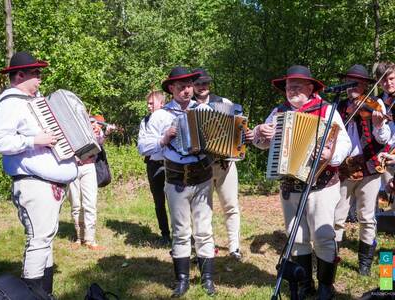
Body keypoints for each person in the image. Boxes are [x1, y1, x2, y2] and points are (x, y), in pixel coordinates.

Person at [252, 65, 352, 299]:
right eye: (289, 86)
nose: (292, 90)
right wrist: (260, 134)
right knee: (297, 236)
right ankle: (305, 283)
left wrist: (330, 156)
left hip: (322, 184)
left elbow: (345, 143)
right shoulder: (278, 112)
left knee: (323, 235)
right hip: (290, 185)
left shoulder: (326, 110)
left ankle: (326, 286)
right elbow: (262, 143)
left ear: (310, 88)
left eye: (297, 86)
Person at [0, 51, 78, 299]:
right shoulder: (10, 102)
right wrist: (34, 140)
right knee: (38, 240)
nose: (40, 79)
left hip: (48, 183)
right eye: (36, 74)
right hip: (33, 183)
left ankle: (45, 293)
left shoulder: (33, 102)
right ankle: (30, 295)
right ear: (20, 75)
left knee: (45, 239)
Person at [138, 66, 216, 297]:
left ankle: (208, 279)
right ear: (171, 89)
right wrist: (163, 139)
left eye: (189, 86)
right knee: (181, 230)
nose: (186, 91)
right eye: (181, 87)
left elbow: (219, 139)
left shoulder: (205, 110)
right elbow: (143, 147)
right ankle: (182, 280)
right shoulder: (160, 116)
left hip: (202, 177)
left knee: (204, 229)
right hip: (175, 179)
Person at [334, 64, 391, 276]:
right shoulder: (339, 106)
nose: (352, 87)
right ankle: (333, 259)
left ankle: (365, 264)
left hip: (369, 167)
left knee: (367, 217)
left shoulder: (375, 105)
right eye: (349, 82)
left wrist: (379, 125)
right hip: (344, 167)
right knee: (337, 217)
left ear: (366, 84)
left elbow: (382, 139)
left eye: (356, 82)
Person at [192, 67, 243, 260]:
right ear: (192, 86)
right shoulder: (188, 107)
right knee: (202, 209)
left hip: (225, 163)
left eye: (204, 83)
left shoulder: (224, 103)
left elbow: (237, 127)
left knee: (231, 206)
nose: (202, 87)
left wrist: (239, 145)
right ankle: (205, 247)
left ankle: (234, 247)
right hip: (200, 165)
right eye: (197, 84)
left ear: (209, 84)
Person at [68, 114, 106, 251]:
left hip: (89, 167)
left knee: (90, 203)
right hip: (71, 167)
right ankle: (79, 238)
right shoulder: (67, 126)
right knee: (76, 205)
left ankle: (90, 239)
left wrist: (98, 131)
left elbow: (100, 143)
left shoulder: (93, 128)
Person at [137, 90, 171, 245]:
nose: (149, 106)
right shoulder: (145, 121)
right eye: (148, 103)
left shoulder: (171, 118)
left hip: (171, 165)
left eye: (152, 103)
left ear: (162, 103)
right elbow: (142, 145)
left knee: (175, 201)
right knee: (159, 201)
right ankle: (165, 234)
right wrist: (159, 141)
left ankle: (180, 234)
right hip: (153, 165)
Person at [375, 62, 395, 211]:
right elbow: (380, 137)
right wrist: (379, 123)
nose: (388, 83)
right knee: (385, 198)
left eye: (392, 78)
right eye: (384, 80)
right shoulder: (378, 102)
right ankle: (385, 223)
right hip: (385, 154)